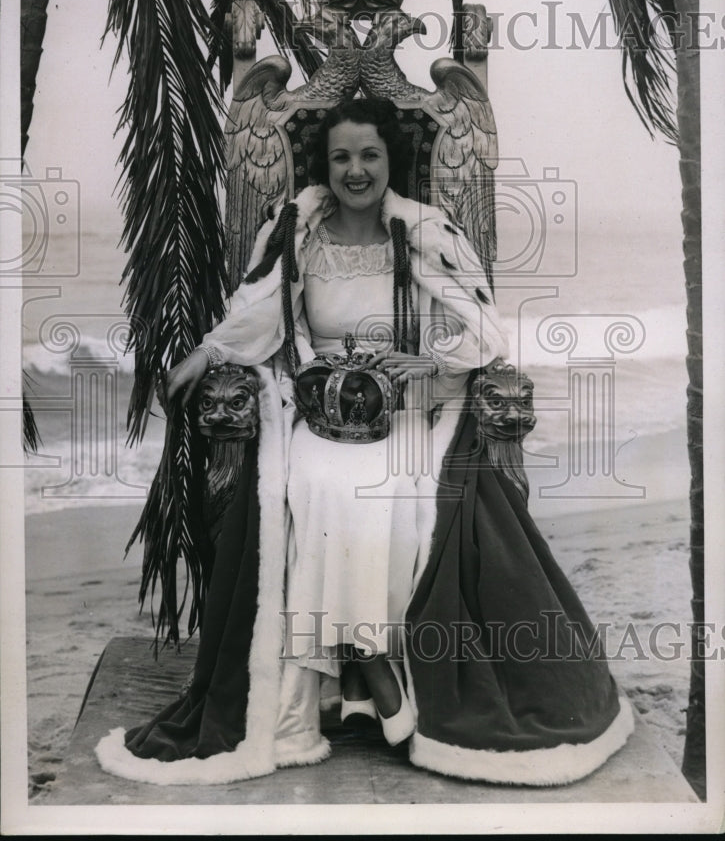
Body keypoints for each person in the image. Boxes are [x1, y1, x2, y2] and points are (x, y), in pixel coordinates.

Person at [96, 97, 633, 787]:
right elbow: (257, 317)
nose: (356, 170)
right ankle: (361, 672)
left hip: (404, 416)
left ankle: (373, 663)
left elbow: (484, 329)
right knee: (319, 486)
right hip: (320, 420)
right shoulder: (300, 239)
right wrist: (205, 353)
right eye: (342, 156)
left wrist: (433, 364)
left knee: (389, 490)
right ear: (326, 166)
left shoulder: (423, 238)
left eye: (369, 155)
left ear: (390, 162)